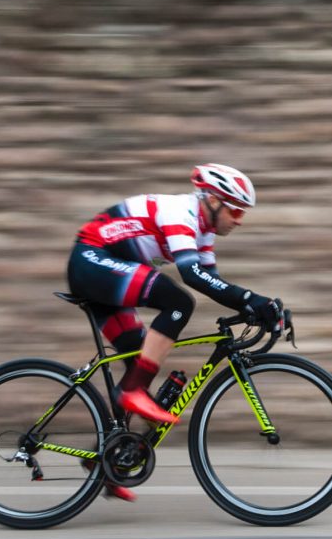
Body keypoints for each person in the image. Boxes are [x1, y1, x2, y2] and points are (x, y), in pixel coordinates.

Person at [66, 163, 281, 501]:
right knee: (178, 302)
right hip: (91, 260)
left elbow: (213, 283)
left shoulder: (203, 233)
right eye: (236, 210)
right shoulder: (181, 212)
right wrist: (251, 299)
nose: (239, 220)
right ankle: (133, 392)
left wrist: (255, 307)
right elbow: (192, 275)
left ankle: (105, 461)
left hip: (104, 268)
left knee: (138, 358)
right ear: (213, 200)